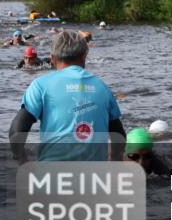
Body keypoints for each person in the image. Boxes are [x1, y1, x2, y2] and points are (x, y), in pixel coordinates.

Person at [9, 30, 125, 163]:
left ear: (52, 58)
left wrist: (21, 161)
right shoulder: (103, 88)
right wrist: (115, 160)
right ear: (85, 55)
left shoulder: (40, 86)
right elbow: (119, 135)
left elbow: (16, 131)